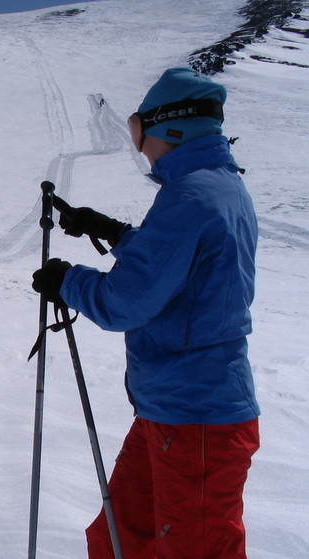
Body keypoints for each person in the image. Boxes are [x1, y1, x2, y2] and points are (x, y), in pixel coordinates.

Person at [31, 67, 260, 559]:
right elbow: (181, 267)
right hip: (175, 411)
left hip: (196, 417)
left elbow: (124, 303)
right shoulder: (216, 187)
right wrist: (116, 232)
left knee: (192, 550)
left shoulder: (190, 197)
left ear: (172, 127)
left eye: (139, 130)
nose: (140, 145)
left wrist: (67, 281)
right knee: (120, 538)